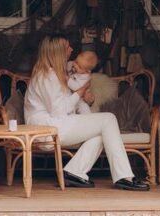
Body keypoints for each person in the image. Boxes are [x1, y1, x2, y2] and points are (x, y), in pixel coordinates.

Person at [24, 35, 149, 191]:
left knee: (103, 131)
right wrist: (80, 92)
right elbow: (59, 111)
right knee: (108, 119)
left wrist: (85, 100)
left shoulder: (57, 73)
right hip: (46, 129)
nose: (71, 50)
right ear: (58, 52)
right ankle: (124, 177)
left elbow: (66, 104)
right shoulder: (47, 76)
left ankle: (74, 172)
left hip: (56, 124)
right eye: (67, 47)